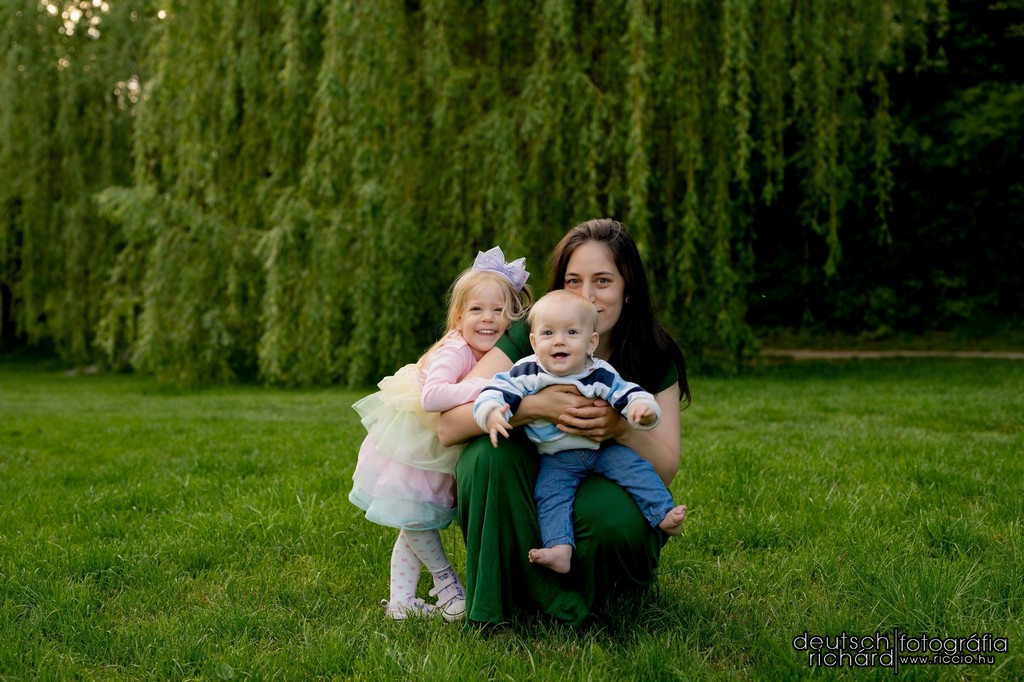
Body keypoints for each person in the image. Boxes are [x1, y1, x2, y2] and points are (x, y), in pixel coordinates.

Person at [437, 219, 691, 627]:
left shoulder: (651, 353)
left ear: (628, 288)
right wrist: (533, 408)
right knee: (485, 457)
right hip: (541, 473)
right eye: (574, 281)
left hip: (603, 474)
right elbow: (449, 426)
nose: (586, 295)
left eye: (603, 281)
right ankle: (500, 603)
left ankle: (593, 600)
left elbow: (665, 468)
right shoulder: (535, 335)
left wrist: (621, 429)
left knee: (605, 514)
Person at [349, 246, 532, 621]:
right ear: (459, 317)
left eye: (498, 310)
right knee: (416, 519)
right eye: (477, 310)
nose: (488, 319)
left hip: (429, 446)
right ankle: (447, 585)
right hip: (415, 448)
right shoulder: (454, 350)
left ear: (512, 318)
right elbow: (432, 397)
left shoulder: (488, 353)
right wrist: (484, 387)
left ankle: (401, 602)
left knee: (411, 523)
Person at [472, 290, 687, 575]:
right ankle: (559, 549)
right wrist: (491, 412)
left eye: (571, 332)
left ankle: (663, 513)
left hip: (603, 449)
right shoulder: (528, 371)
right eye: (548, 333)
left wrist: (642, 410)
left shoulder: (597, 372)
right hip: (557, 459)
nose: (559, 340)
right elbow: (495, 391)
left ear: (590, 342)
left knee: (635, 470)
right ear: (534, 342)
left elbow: (627, 392)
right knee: (550, 496)